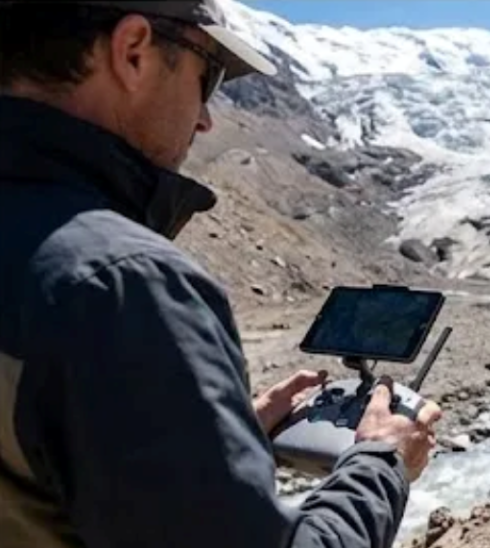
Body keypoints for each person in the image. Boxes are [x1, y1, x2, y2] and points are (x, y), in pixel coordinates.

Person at [0, 1, 443, 547]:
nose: (207, 119)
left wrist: (212, 438)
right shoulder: (122, 284)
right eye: (206, 76)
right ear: (133, 51)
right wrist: (382, 461)